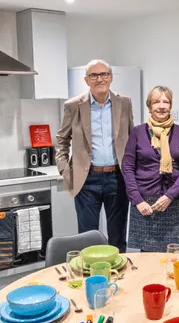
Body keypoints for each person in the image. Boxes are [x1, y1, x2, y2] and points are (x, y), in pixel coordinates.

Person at [55, 60, 135, 252]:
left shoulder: (124, 103)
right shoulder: (74, 106)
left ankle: (118, 276)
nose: (99, 79)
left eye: (104, 74)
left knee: (117, 236)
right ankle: (91, 278)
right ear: (86, 80)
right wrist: (66, 171)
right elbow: (61, 139)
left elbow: (132, 138)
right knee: (87, 237)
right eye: (94, 75)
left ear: (111, 77)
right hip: (86, 179)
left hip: (117, 178)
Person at [122, 86, 179, 251]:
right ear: (149, 106)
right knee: (147, 257)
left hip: (174, 202)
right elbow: (127, 168)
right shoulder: (137, 132)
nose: (161, 106)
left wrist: (170, 195)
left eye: (166, 101)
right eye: (156, 102)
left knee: (174, 255)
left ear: (170, 105)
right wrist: (137, 200)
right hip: (145, 203)